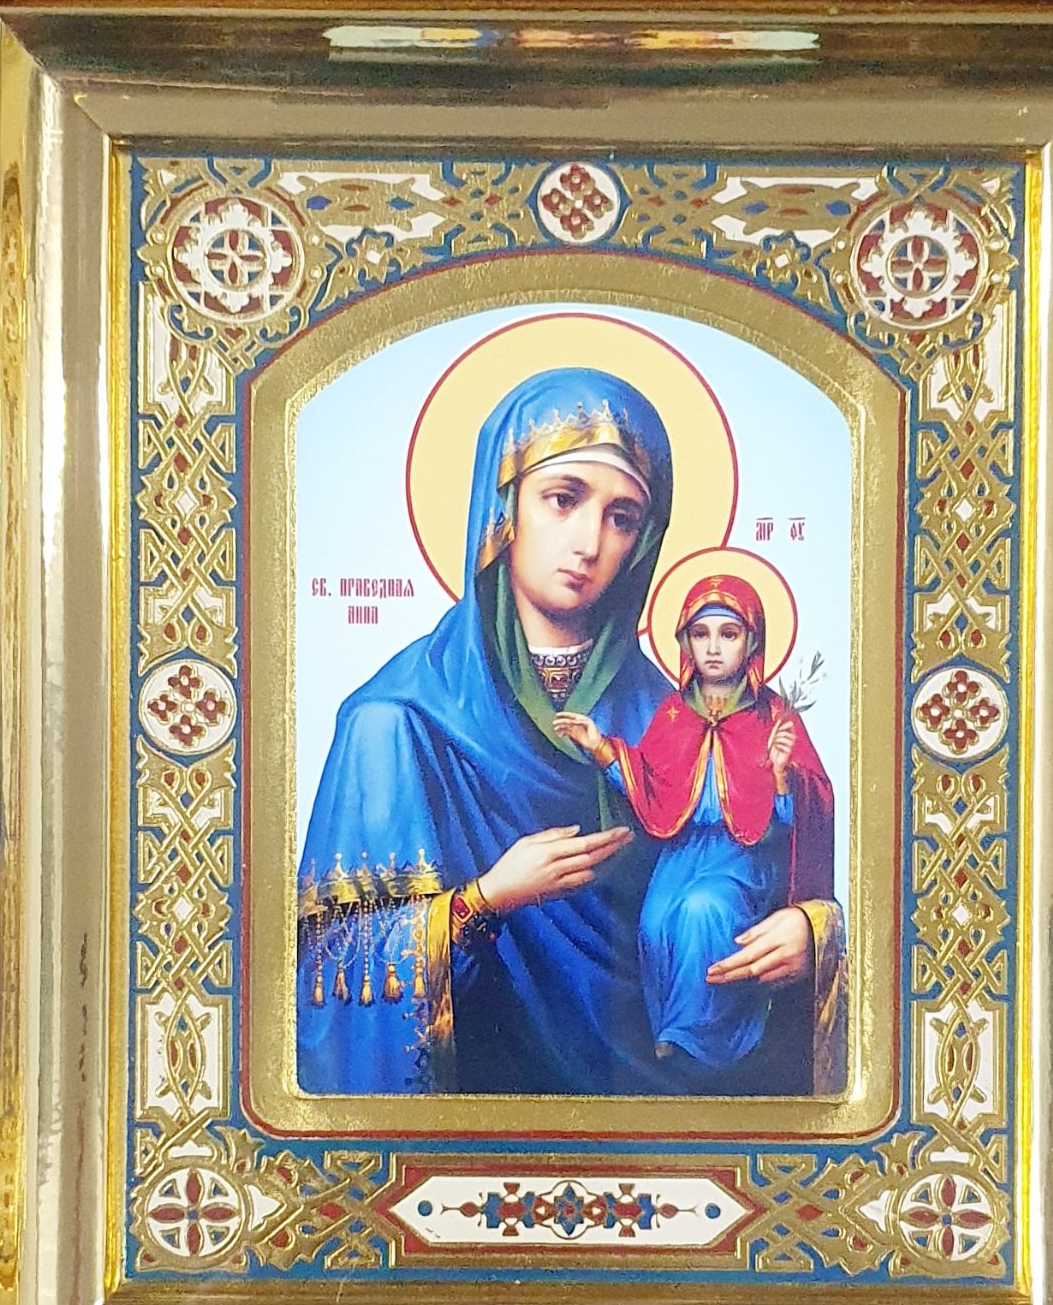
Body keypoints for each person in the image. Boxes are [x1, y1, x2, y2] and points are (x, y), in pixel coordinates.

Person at [295, 363, 841, 1097]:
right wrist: (485, 899)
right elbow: (328, 964)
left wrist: (811, 933)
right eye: (563, 498)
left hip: (665, 1108)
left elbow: (753, 862)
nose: (589, 541)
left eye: (622, 517)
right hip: (479, 1110)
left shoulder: (674, 715)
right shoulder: (393, 722)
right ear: (503, 511)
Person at [554, 574, 837, 1086]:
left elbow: (806, 811)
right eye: (701, 634)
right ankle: (671, 1037)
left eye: (728, 634)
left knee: (702, 910)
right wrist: (600, 747)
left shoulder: (773, 716)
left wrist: (780, 776)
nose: (713, 648)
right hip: (682, 852)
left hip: (741, 856)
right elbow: (649, 782)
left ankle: (701, 1038)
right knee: (656, 922)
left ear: (751, 642)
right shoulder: (674, 713)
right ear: (685, 642)